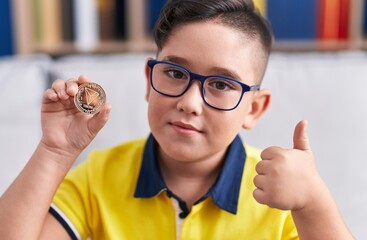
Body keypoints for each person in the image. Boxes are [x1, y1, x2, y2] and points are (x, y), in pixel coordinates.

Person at [0, 0, 354, 239]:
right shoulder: (98, 177)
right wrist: (54, 152)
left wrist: (313, 203)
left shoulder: (281, 197)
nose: (189, 102)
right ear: (148, 81)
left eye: (220, 84)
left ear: (254, 108)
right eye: (175, 73)